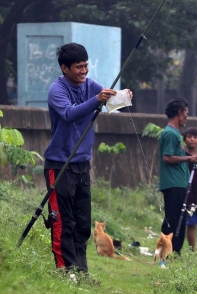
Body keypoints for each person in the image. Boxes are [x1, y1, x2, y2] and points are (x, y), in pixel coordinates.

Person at [43, 42, 131, 273]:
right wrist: (97, 100)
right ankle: (65, 271)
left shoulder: (90, 85)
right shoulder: (57, 90)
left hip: (82, 164)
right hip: (59, 165)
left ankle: (81, 272)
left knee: (83, 224)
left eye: (86, 66)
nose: (84, 71)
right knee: (64, 221)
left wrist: (123, 97)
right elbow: (69, 114)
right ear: (65, 68)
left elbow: (109, 101)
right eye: (78, 67)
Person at [158, 98, 197, 254]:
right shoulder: (170, 133)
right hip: (173, 183)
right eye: (186, 113)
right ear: (179, 113)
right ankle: (166, 252)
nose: (187, 117)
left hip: (179, 183)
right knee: (172, 219)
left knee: (179, 220)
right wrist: (189, 158)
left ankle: (175, 251)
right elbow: (167, 157)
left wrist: (192, 157)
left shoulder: (176, 133)